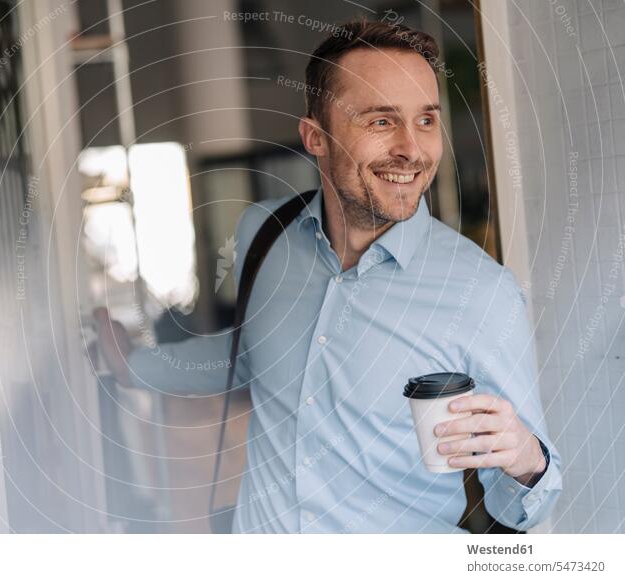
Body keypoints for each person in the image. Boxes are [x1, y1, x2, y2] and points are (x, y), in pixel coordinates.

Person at [94, 19, 561, 533]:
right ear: (316, 137)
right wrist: (134, 366)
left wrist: (525, 459)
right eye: (382, 121)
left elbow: (526, 502)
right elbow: (250, 357)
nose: (412, 148)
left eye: (426, 120)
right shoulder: (263, 234)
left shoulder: (483, 293)